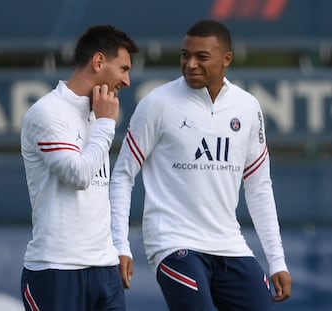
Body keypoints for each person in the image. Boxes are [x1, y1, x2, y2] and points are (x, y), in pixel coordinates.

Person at [110, 20, 291, 310]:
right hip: (173, 243)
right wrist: (120, 245)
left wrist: (277, 260)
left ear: (226, 59)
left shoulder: (247, 106)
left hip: (229, 244)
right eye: (185, 55)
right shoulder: (156, 103)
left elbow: (259, 186)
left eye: (201, 57)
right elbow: (122, 176)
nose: (190, 64)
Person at [20, 25, 138, 311]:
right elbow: (78, 175)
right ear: (98, 62)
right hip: (57, 269)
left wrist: (118, 247)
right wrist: (107, 124)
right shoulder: (48, 112)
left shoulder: (98, 113)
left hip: (105, 269)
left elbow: (100, 193)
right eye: (123, 69)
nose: (127, 80)